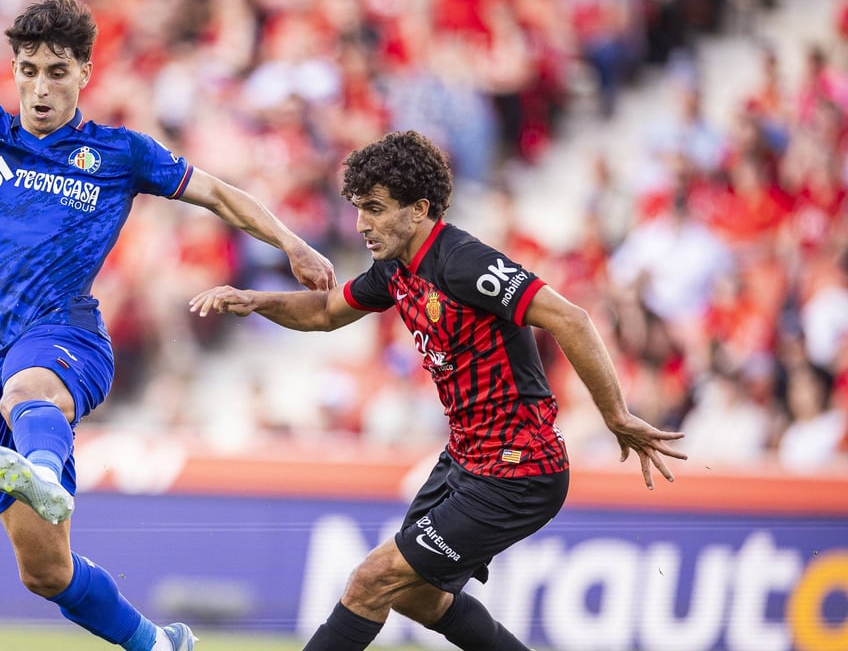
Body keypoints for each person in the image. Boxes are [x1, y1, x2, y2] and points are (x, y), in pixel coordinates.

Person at [0, 0, 335, 651]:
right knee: (45, 572)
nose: (40, 87)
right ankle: (159, 644)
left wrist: (292, 244)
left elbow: (216, 192)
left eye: (56, 71)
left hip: (68, 334)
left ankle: (42, 469)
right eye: (28, 70)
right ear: (14, 70)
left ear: (84, 73)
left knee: (27, 390)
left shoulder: (118, 153)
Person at [189, 130, 686, 651]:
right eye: (358, 209)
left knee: (371, 580)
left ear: (418, 209)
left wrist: (615, 415)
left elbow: (572, 318)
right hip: (466, 459)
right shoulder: (395, 269)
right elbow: (327, 312)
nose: (361, 224)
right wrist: (255, 300)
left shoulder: (464, 262)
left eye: (375, 209)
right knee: (416, 596)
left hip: (518, 468)